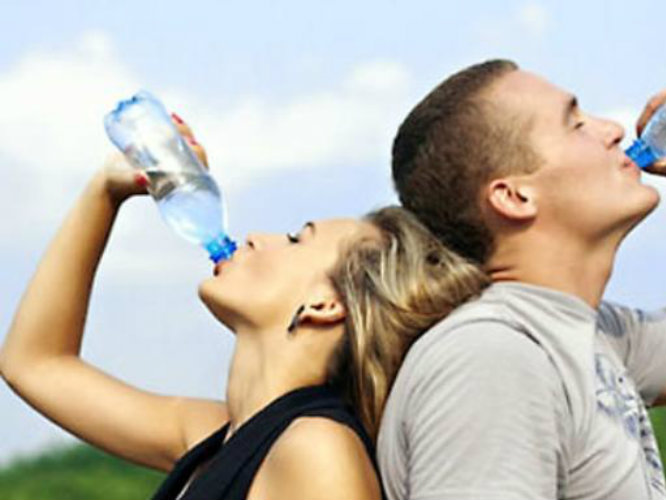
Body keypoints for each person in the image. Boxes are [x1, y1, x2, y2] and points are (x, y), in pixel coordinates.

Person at [378, 59, 666, 499]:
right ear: (514, 196)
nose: (613, 130)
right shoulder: (494, 358)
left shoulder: (589, 338)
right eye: (575, 123)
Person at [0, 116, 489, 499]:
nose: (258, 237)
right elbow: (35, 363)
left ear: (325, 304)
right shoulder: (217, 436)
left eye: (298, 239)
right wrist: (105, 192)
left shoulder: (316, 450)